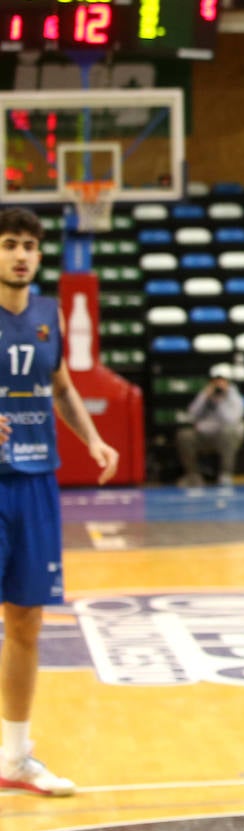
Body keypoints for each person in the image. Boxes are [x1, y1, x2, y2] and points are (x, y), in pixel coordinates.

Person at [0, 207, 120, 797]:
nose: (20, 255)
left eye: (28, 245)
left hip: (36, 482)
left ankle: (15, 757)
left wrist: (93, 439)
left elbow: (61, 387)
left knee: (26, 621)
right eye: (8, 244)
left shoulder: (47, 314)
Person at [175, 372, 244, 487]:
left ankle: (225, 475)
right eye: (215, 384)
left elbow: (231, 419)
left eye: (221, 383)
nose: (218, 387)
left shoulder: (233, 396)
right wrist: (205, 397)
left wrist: (220, 401)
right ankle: (194, 476)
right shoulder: (205, 394)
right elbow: (191, 415)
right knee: (184, 435)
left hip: (223, 436)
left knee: (229, 433)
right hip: (203, 434)